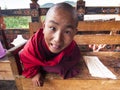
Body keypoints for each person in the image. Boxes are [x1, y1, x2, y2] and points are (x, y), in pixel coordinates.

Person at [20, 2, 81, 87]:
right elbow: (26, 57)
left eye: (67, 32)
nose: (58, 39)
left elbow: (75, 58)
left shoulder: (72, 48)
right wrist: (35, 72)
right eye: (52, 28)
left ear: (74, 33)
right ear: (44, 27)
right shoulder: (34, 45)